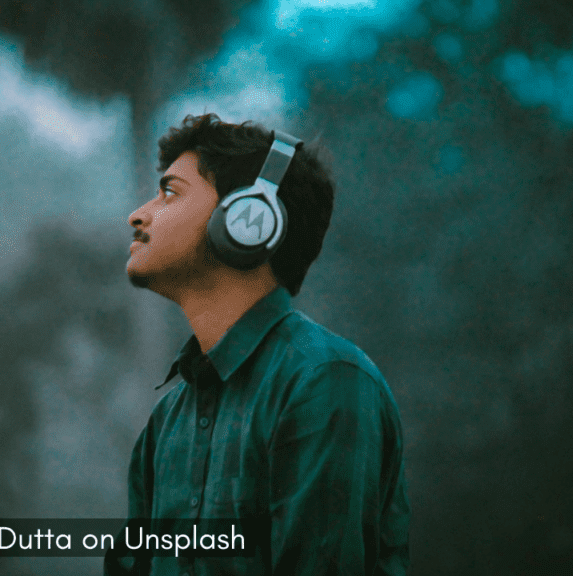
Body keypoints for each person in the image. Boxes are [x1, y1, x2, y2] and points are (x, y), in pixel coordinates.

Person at [105, 113, 409, 575]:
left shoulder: (325, 381)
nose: (139, 214)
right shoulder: (167, 421)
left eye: (170, 192)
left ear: (249, 219)